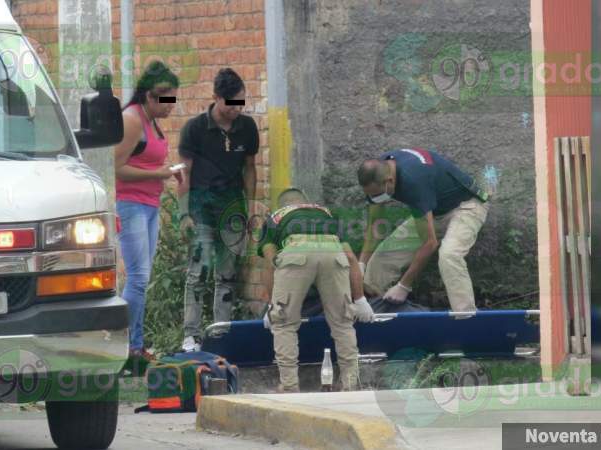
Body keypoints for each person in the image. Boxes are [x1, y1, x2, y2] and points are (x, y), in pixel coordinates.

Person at [258, 188, 374, 392]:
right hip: (333, 252)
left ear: (282, 206)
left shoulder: (274, 218)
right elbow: (350, 258)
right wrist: (360, 299)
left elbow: (270, 263)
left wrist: (272, 304)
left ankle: (289, 386)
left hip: (295, 252)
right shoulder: (326, 214)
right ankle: (350, 383)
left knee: (284, 324)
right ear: (306, 202)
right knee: (343, 322)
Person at [177, 68, 259, 352]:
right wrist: (183, 213)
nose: (237, 109)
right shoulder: (195, 129)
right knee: (198, 272)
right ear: (216, 98)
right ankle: (191, 336)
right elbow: (183, 173)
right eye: (231, 103)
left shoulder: (247, 128)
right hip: (201, 208)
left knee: (227, 275)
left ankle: (221, 332)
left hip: (232, 209)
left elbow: (250, 167)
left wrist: (249, 207)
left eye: (241, 103)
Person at [357, 148, 490, 312]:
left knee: (449, 255)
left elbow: (429, 243)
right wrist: (361, 263)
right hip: (432, 211)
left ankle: (466, 318)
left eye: (377, 195)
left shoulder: (413, 180)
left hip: (467, 206)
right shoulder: (377, 175)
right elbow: (375, 227)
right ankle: (381, 314)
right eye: (371, 196)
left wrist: (404, 286)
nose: (376, 199)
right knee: (379, 264)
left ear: (389, 181)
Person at [114, 61, 181, 361]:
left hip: (150, 204)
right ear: (150, 96)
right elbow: (116, 168)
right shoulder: (132, 119)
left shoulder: (152, 121)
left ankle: (136, 344)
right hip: (130, 204)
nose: (170, 107)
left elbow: (145, 161)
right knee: (138, 277)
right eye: (166, 100)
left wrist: (164, 173)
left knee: (142, 278)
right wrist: (158, 174)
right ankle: (127, 345)